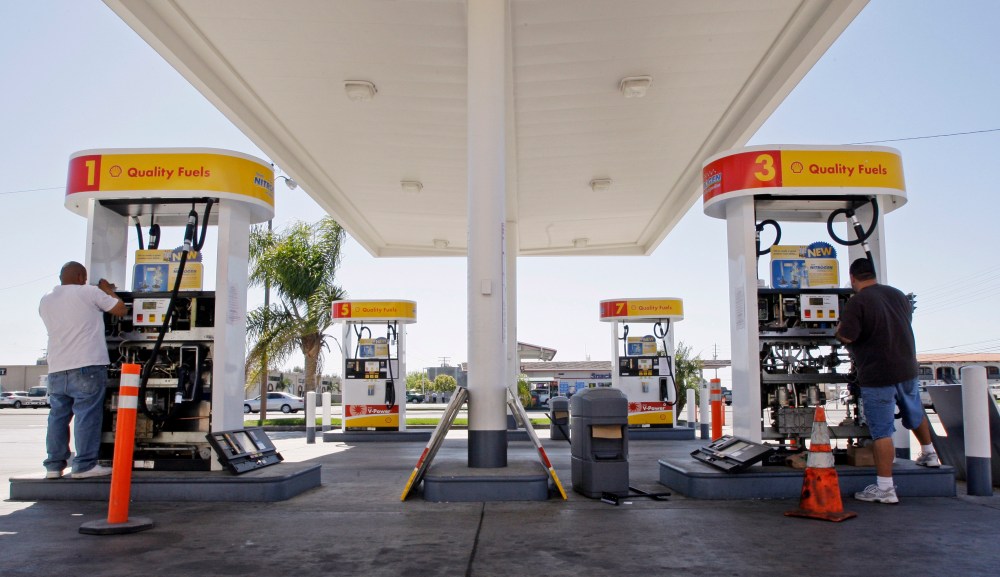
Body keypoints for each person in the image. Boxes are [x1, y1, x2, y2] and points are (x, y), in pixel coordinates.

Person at [836, 258, 940, 504]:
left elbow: (847, 336)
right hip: (906, 367)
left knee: (882, 431)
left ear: (853, 278)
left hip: (878, 373)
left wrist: (838, 330)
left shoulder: (858, 301)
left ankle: (885, 488)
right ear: (873, 274)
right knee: (914, 411)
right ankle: (929, 454)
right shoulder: (898, 295)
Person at [38, 262, 126, 479]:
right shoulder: (89, 292)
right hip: (87, 365)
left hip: (57, 368)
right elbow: (120, 309)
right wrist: (107, 289)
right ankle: (84, 466)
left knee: (58, 417)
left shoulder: (46, 299)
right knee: (86, 416)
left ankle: (53, 466)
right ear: (80, 276)